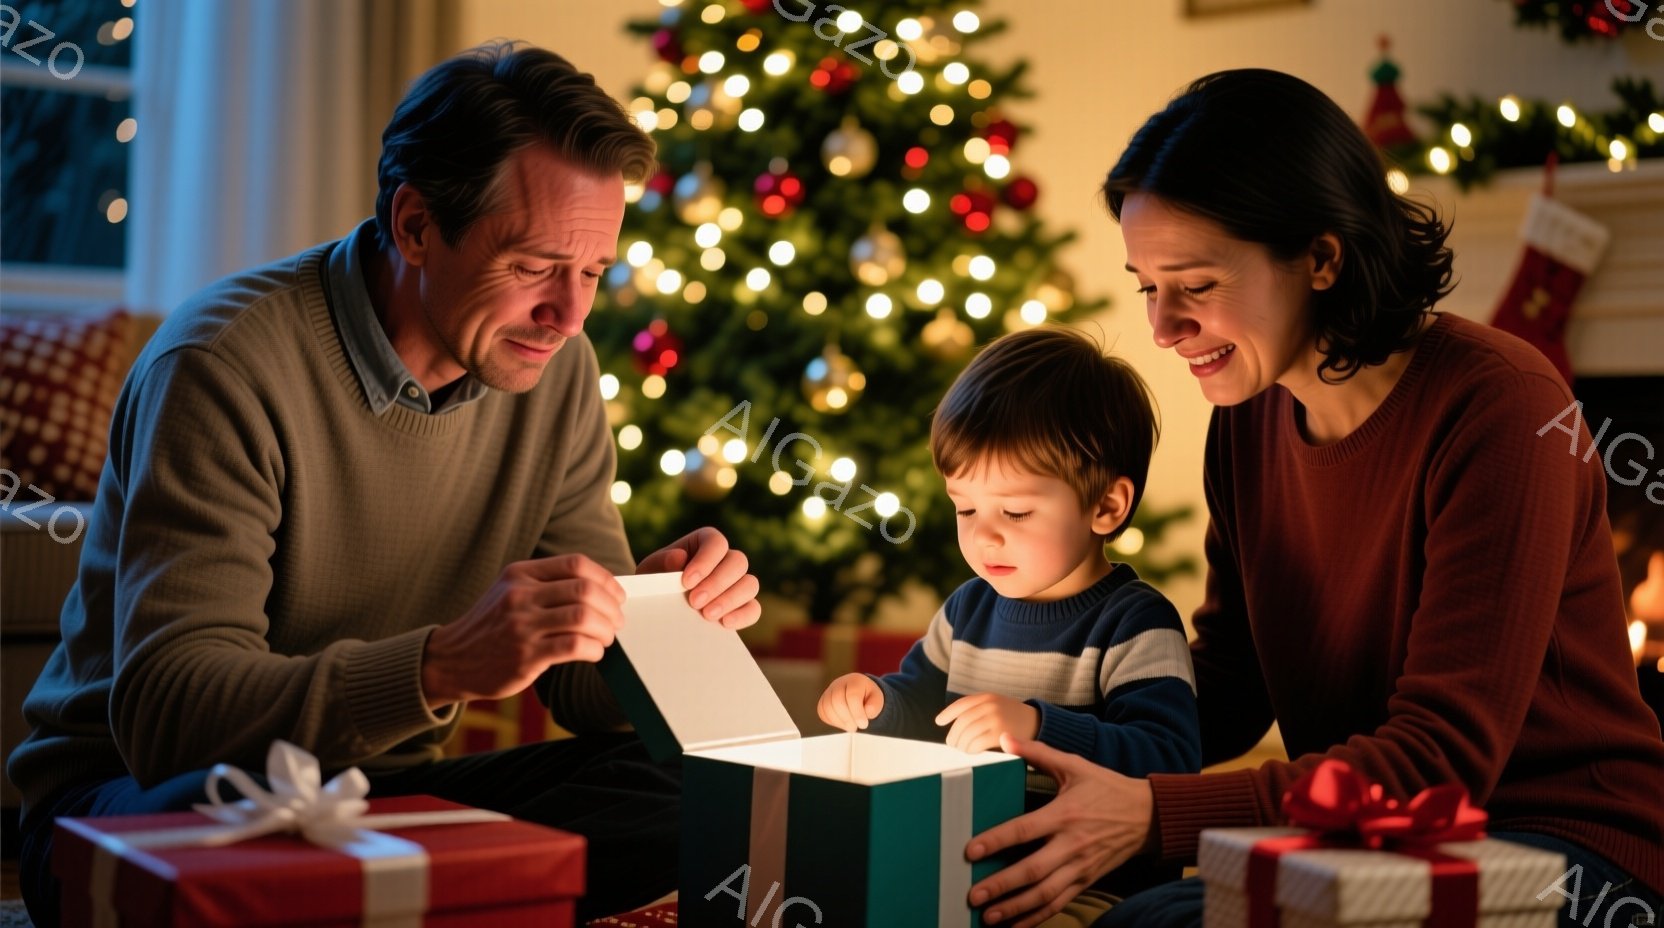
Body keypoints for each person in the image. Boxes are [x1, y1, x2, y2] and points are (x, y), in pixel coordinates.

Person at [8, 43, 761, 926]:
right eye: (533, 266)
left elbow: (585, 695)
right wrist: (442, 663)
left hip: (377, 799)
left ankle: (392, 897)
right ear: (414, 226)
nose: (571, 314)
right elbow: (173, 716)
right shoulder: (222, 364)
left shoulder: (551, 371)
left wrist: (657, 615)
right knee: (253, 845)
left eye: (593, 272)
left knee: (712, 792)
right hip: (146, 802)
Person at [957, 69, 1664, 928]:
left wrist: (1150, 815)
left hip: (1566, 854)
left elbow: (1440, 762)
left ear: (1321, 258)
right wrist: (1022, 716)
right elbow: (1224, 688)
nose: (1162, 328)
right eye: (1149, 286)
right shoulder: (1250, 422)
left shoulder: (1503, 406)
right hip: (1364, 842)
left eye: (1197, 284)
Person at [816, 327, 1200, 778]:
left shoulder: (1134, 624)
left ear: (1105, 506)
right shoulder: (966, 612)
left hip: (1080, 846)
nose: (983, 536)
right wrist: (876, 703)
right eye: (966, 508)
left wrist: (1038, 727)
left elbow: (1170, 758)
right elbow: (919, 709)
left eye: (1015, 512)